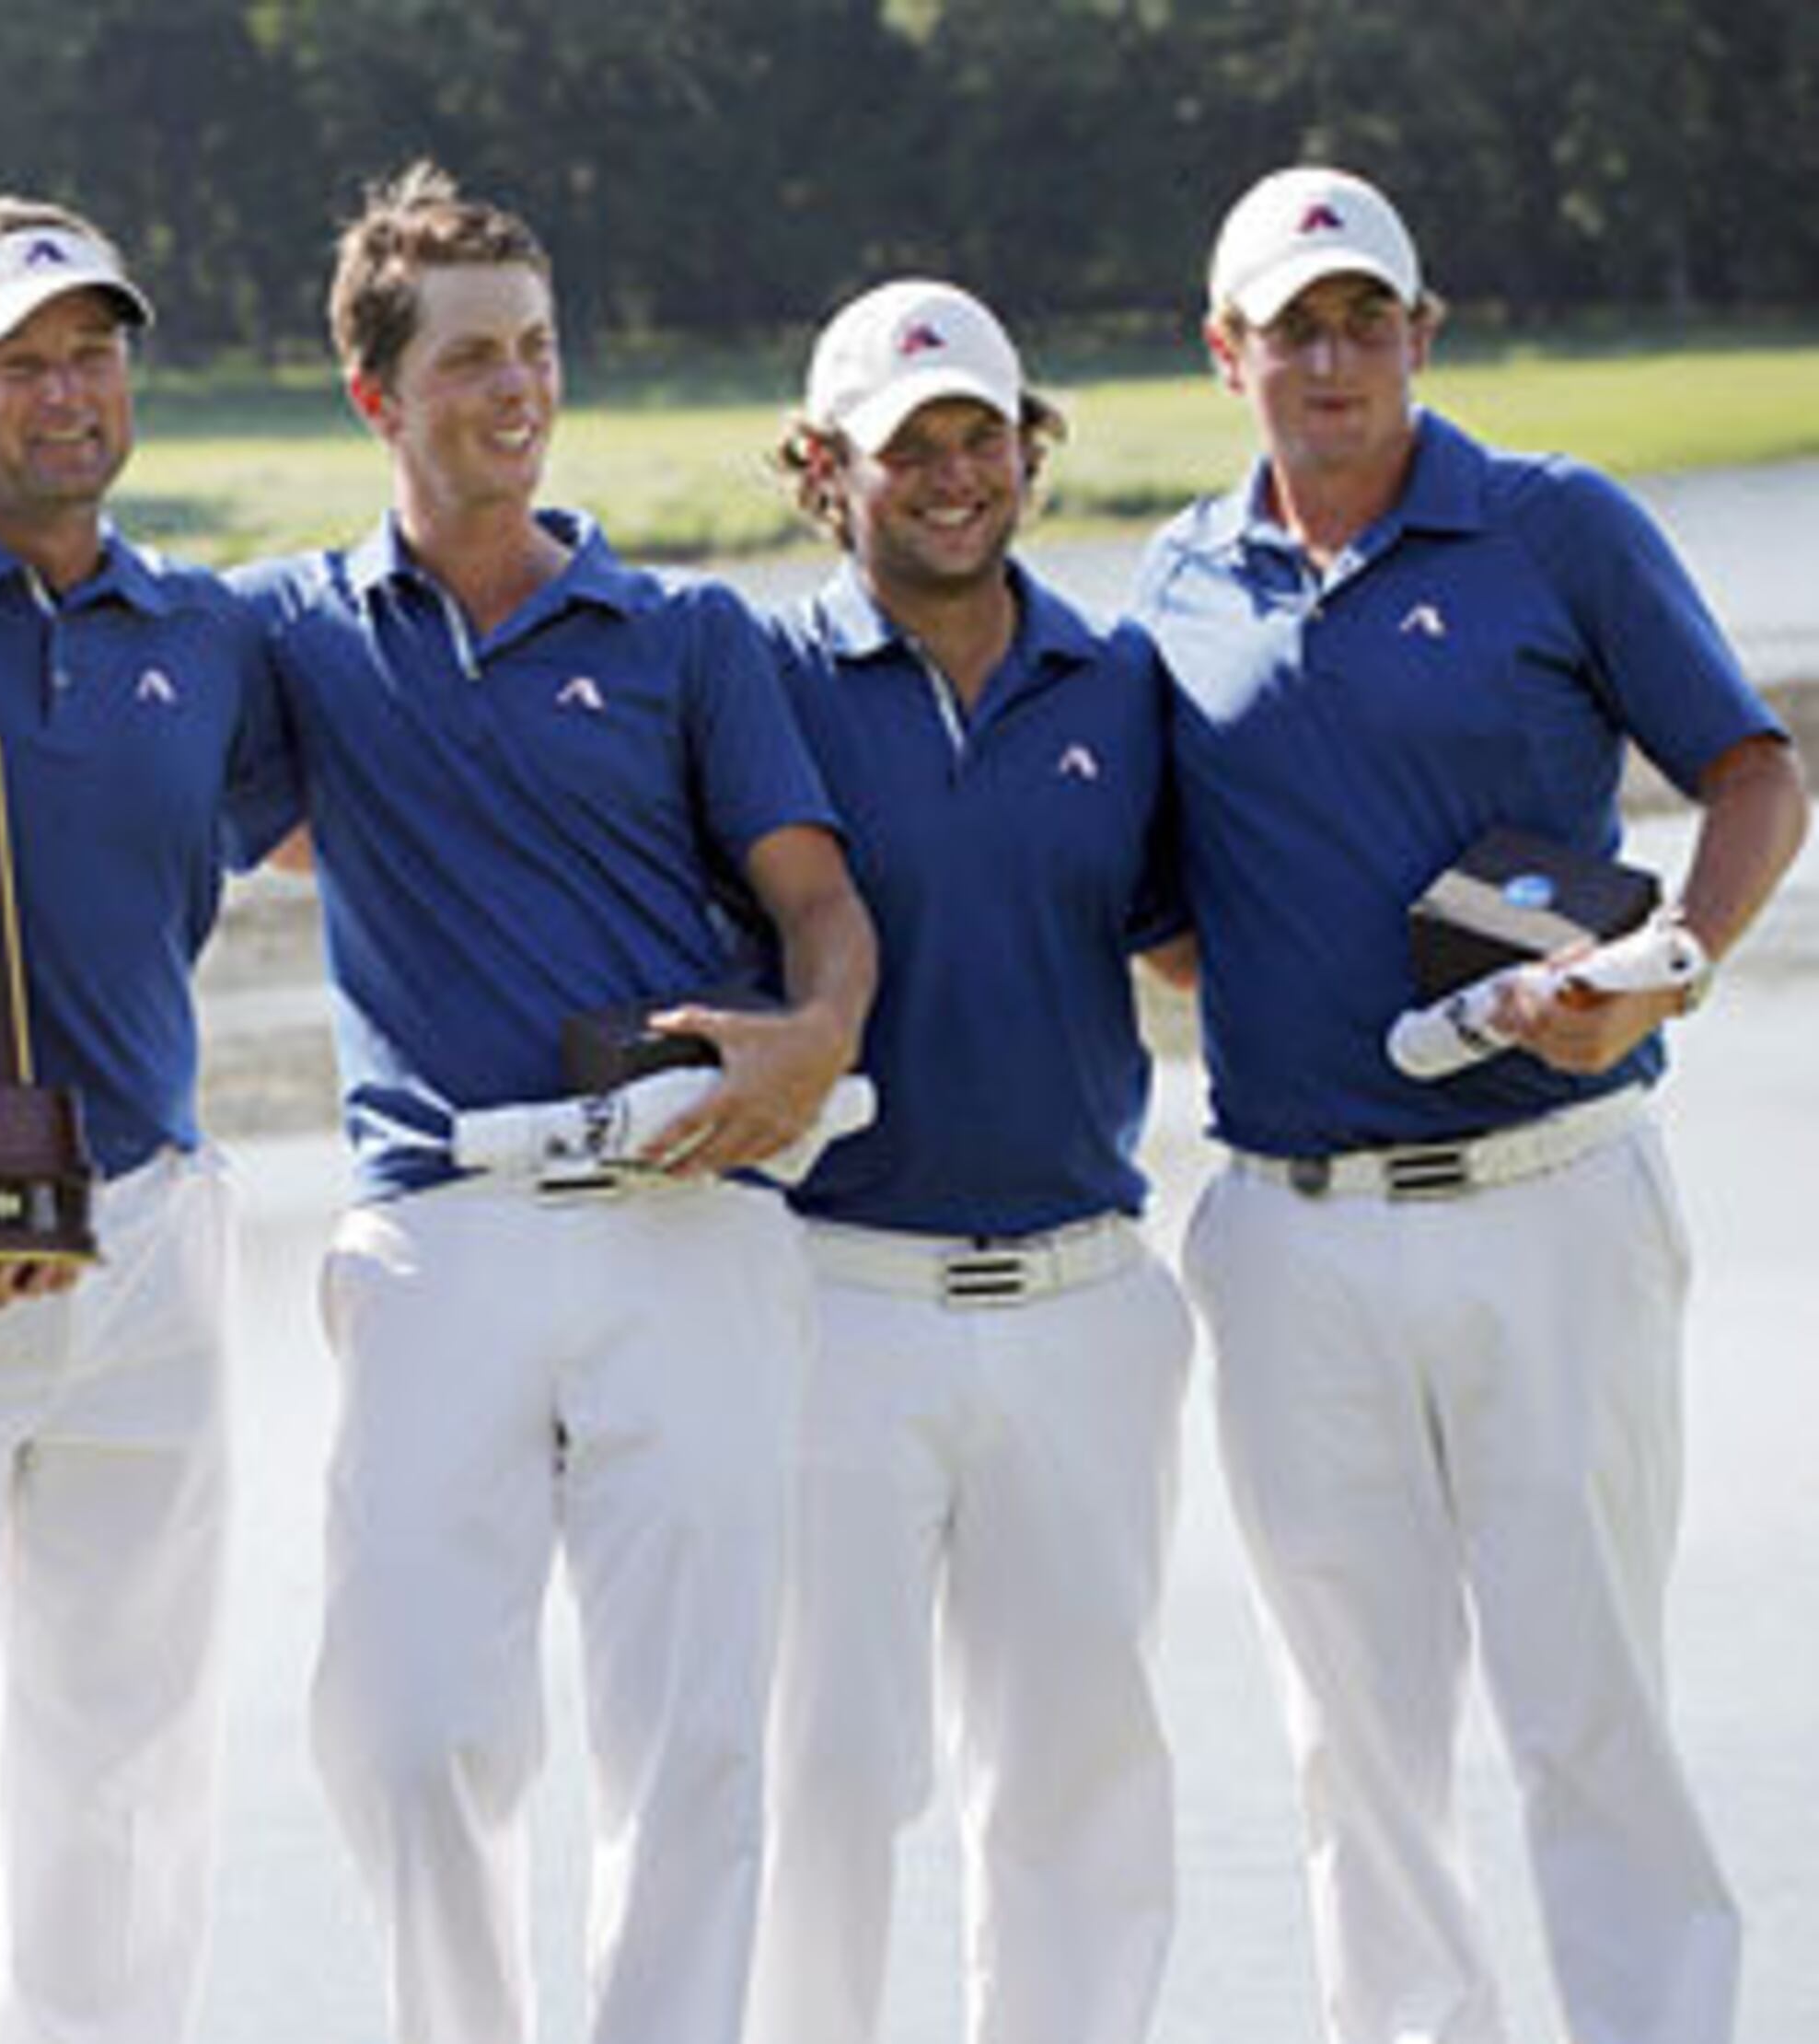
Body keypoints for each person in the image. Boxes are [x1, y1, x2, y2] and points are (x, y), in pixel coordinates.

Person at [1131, 165, 1806, 2044]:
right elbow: (1174, 917)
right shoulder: (1174, 582)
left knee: (1588, 1701)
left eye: (1367, 321)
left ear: (1423, 336)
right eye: (1294, 326)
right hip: (1289, 1235)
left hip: (1557, 1196)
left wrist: (1665, 966)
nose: (1331, 356)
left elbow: (1753, 775)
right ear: (1226, 352)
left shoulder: (1553, 527)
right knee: (1354, 1740)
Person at [226, 163, 876, 2044]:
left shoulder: (690, 641)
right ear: (378, 398)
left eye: (538, 351)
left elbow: (820, 907)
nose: (517, 390)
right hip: (439, 1227)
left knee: (692, 1747)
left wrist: (816, 1038)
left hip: (690, 1219)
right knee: (409, 1730)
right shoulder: (294, 635)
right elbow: (71, 657)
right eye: (470, 362)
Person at [0, 198, 277, 2044]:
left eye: (94, 350)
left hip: (154, 1234)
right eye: (20, 360)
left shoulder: (209, 631)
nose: (68, 391)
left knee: (131, 1764)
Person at [737, 280, 1194, 2044]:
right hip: (834, 1301)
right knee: (828, 1779)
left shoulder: (1122, 680)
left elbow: (1193, 939)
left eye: (978, 438)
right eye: (903, 448)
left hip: (1086, 1297)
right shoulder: (756, 676)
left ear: (1028, 447)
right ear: (821, 468)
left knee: (1079, 1778)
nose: (949, 477)